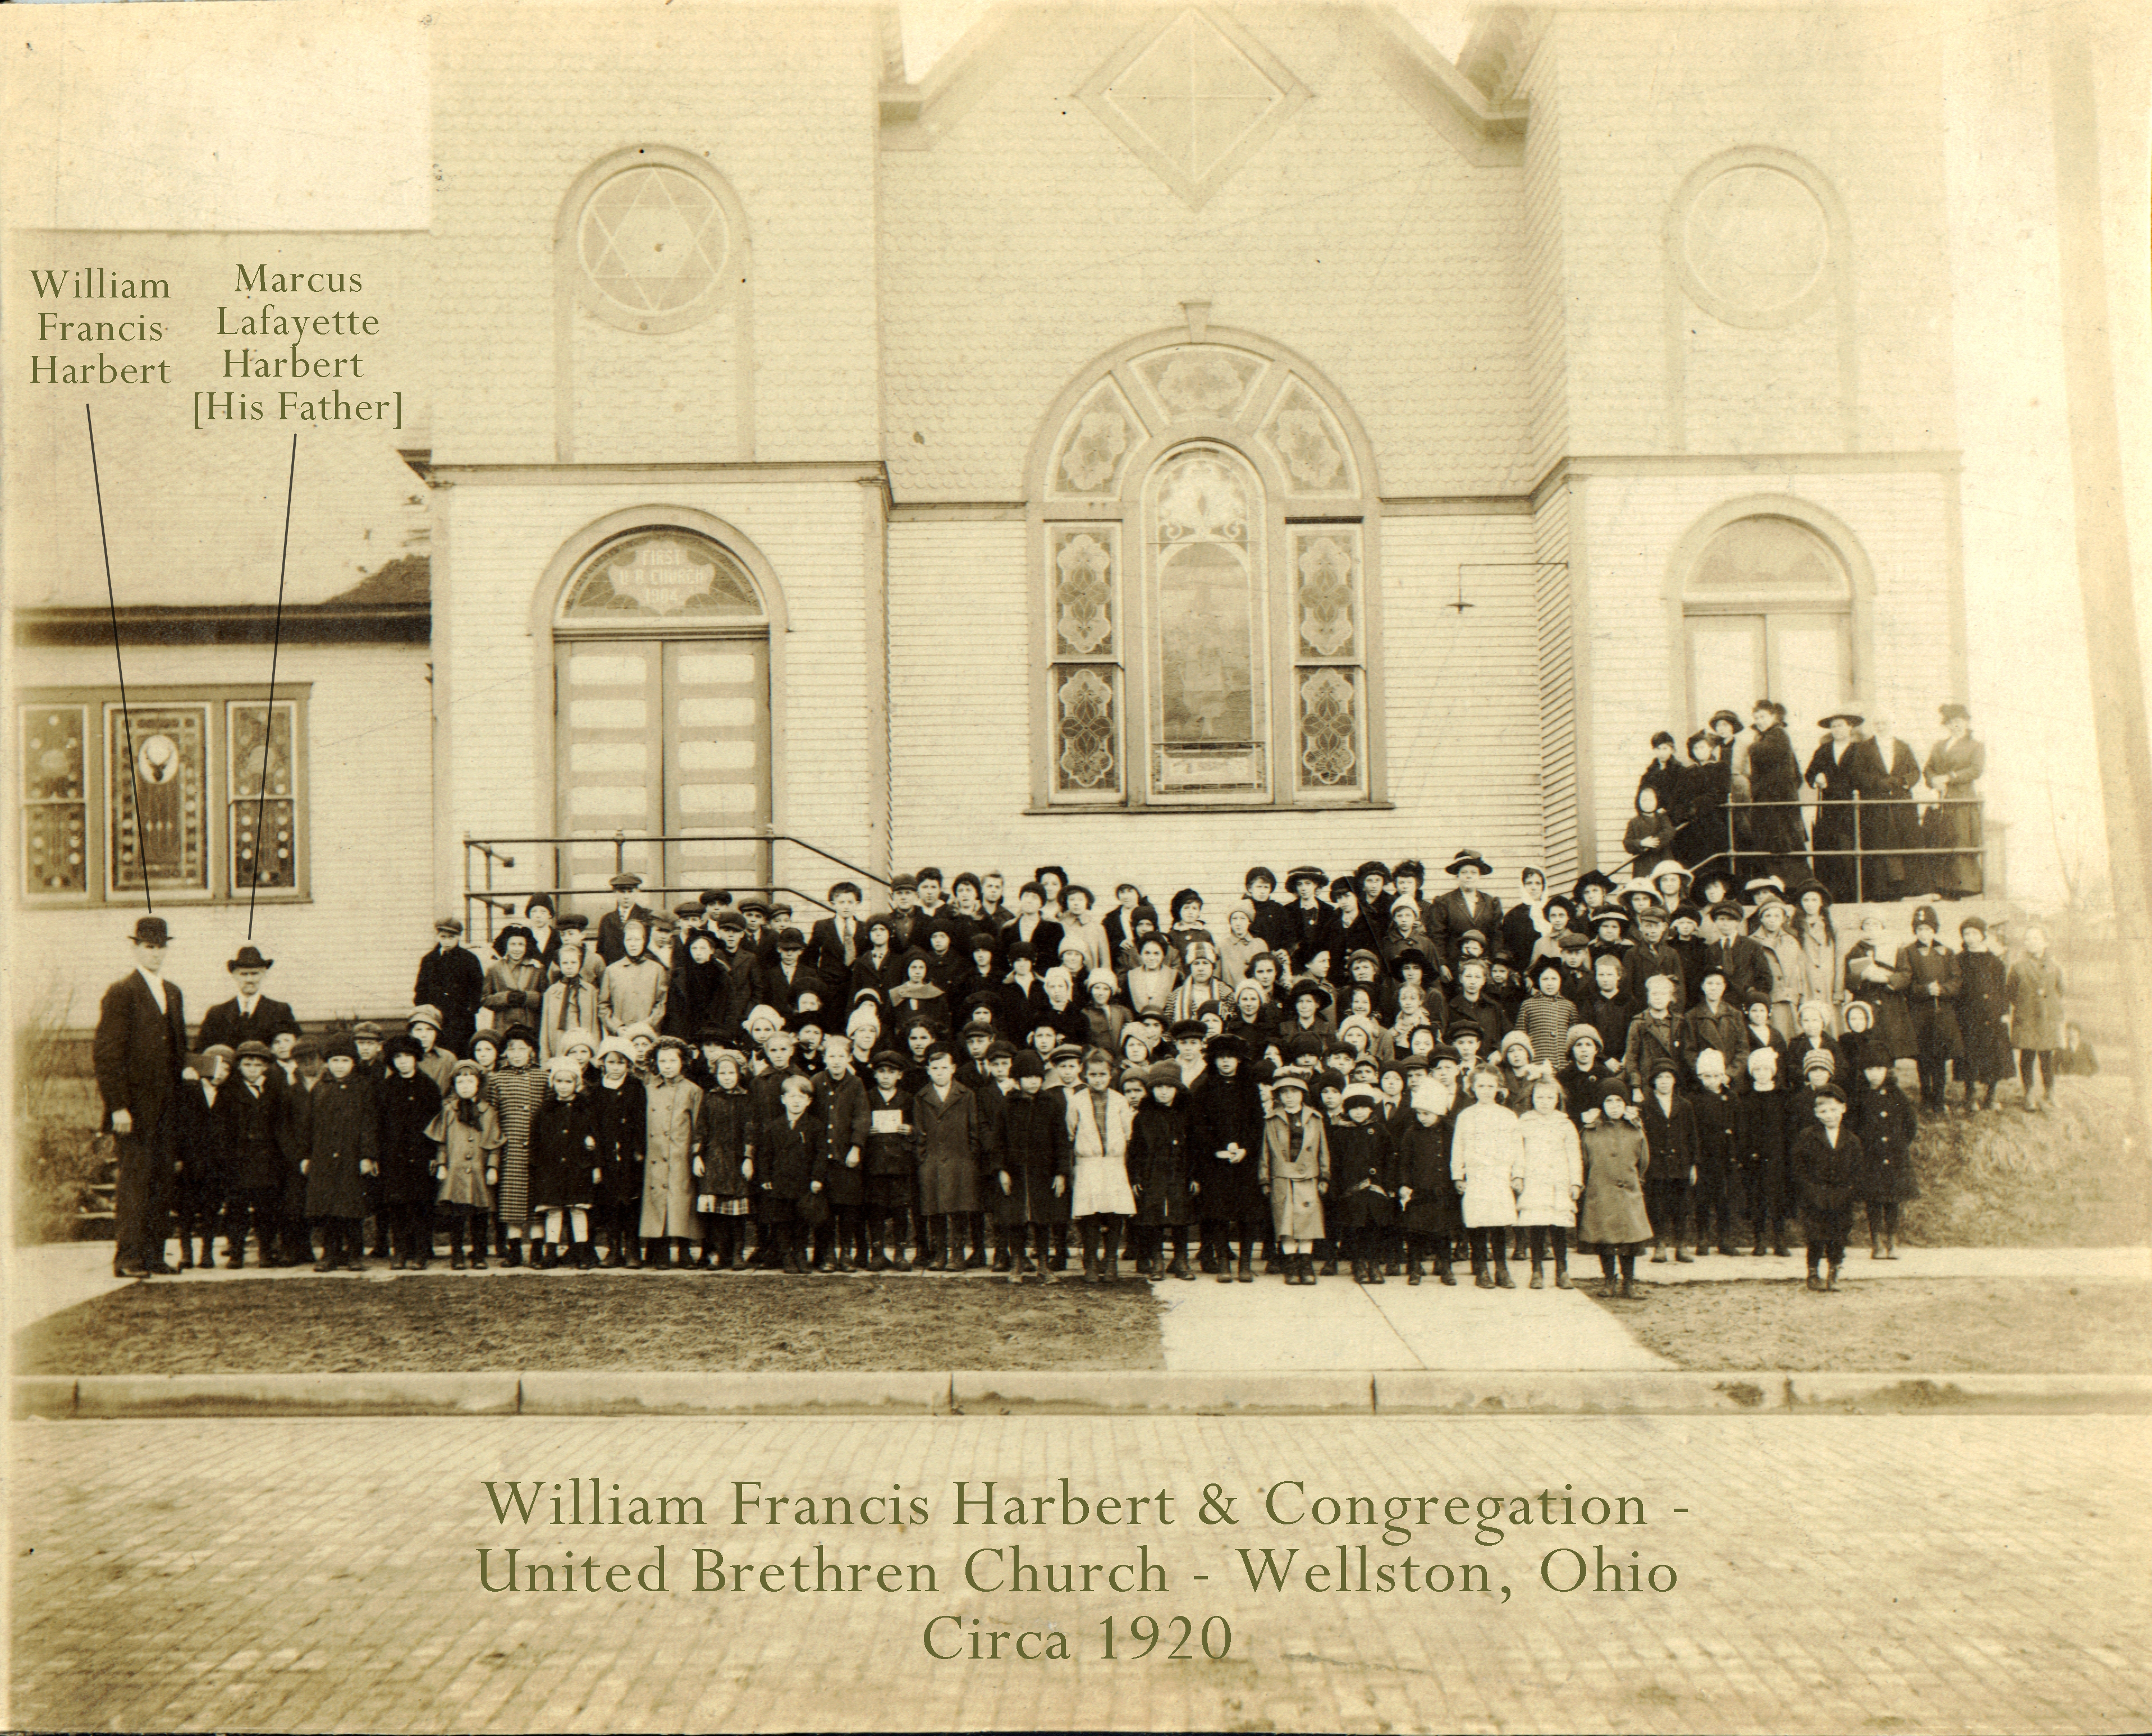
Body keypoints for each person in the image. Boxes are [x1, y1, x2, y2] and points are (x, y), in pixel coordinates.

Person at [93, 915, 191, 1278]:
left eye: (161, 947)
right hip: (134, 1109)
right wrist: (117, 1104)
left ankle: (153, 1254)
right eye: (149, 947)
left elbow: (178, 1049)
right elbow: (107, 1053)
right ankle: (129, 1257)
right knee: (135, 1182)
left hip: (168, 1107)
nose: (155, 953)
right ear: (136, 948)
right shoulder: (122, 992)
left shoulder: (174, 992)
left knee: (162, 1181)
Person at [303, 1033, 377, 1272]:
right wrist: (307, 1156)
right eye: (334, 1061)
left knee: (351, 1209)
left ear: (353, 1063)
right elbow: (309, 1125)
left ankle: (355, 1254)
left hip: (351, 1157)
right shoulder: (320, 1089)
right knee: (329, 1209)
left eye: (345, 1061)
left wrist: (367, 1156)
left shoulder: (364, 1088)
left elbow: (369, 1123)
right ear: (327, 1063)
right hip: (324, 1157)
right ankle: (330, 1254)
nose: (339, 1066)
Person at [1066, 1046, 1138, 1282]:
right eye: (1093, 1074)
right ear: (1085, 1075)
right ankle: (1090, 1261)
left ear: (1111, 1075)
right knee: (1091, 1215)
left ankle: (1110, 1261)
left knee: (1115, 1212)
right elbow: (1071, 1131)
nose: (1098, 1079)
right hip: (1089, 1164)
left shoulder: (1119, 1101)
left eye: (1103, 1074)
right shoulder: (1077, 1101)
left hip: (1114, 1164)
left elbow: (1128, 1133)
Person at [377, 1034, 444, 1270]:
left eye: (407, 1056)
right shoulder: (386, 1087)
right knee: (397, 1206)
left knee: (421, 1204)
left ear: (416, 1058)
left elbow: (437, 1125)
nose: (403, 1062)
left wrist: (436, 1156)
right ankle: (401, 1252)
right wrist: (378, 1155)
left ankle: (421, 1253)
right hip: (394, 1156)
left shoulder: (428, 1087)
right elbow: (379, 1124)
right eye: (397, 1057)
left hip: (422, 1156)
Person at [1805, 709, 1887, 902]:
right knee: (1830, 848)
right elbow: (1810, 773)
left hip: (1854, 807)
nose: (1837, 729)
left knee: (1853, 848)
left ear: (1850, 727)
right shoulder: (1824, 750)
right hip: (1830, 807)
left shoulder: (1862, 749)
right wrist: (1816, 777)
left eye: (1841, 725)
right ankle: (1832, 894)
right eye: (1834, 726)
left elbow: (1871, 776)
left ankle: (1857, 894)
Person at [428, 1059, 503, 1270]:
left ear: (479, 1084)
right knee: (457, 1216)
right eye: (461, 1082)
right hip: (456, 1171)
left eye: (470, 1082)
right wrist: (442, 1164)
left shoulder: (488, 1111)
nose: (466, 1086)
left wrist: (492, 1167)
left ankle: (478, 1254)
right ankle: (457, 1254)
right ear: (454, 1085)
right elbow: (442, 1140)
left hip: (479, 1170)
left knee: (479, 1216)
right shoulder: (449, 1110)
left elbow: (494, 1143)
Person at [1451, 1065, 1521, 1289]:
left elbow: (1518, 1148)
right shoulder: (1466, 1116)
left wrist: (1517, 1174)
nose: (1486, 1090)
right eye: (1481, 1086)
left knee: (1499, 1223)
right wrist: (1458, 1175)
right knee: (1478, 1223)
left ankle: (1502, 1269)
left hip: (1499, 1176)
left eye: (1491, 1086)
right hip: (1476, 1176)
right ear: (1472, 1088)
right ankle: (1481, 1269)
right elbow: (1458, 1147)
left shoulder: (1508, 1116)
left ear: (1499, 1088)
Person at [1579, 1085, 1651, 1298]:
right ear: (1602, 1105)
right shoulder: (1591, 1130)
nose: (1614, 1106)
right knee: (1606, 1238)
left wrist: (1634, 1180)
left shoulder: (1635, 1129)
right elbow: (1584, 1159)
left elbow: (1644, 1160)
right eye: (1609, 1101)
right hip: (1600, 1191)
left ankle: (1629, 1282)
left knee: (1629, 1239)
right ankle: (1609, 1280)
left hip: (1628, 1191)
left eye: (1619, 1101)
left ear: (1626, 1104)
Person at [1514, 1074, 1583, 1288]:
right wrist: (1518, 1176)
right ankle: (1536, 1271)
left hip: (1558, 1182)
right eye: (1540, 1097)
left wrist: (1576, 1182)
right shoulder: (1525, 1122)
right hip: (1535, 1182)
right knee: (1537, 1227)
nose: (1544, 1102)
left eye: (1549, 1097)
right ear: (1532, 1098)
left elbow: (1574, 1155)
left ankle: (1562, 1272)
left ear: (1557, 1099)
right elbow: (1518, 1151)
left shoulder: (1565, 1124)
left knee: (1558, 1228)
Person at [1261, 1070, 1329, 1285]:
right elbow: (1265, 1152)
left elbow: (1322, 1149)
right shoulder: (1272, 1119)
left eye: (1294, 1091)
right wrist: (1264, 1178)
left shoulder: (1315, 1118)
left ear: (1303, 1094)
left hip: (1308, 1176)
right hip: (1282, 1176)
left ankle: (1306, 1263)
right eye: (1284, 1092)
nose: (1289, 1096)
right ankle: (1290, 1263)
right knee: (1286, 1222)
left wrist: (1324, 1175)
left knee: (1308, 1221)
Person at [1792, 1083, 1862, 1291]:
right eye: (1823, 1111)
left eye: (1834, 1110)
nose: (1830, 1115)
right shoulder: (1807, 1136)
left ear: (1844, 1108)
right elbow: (1799, 1167)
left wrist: (1848, 1191)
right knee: (1815, 1235)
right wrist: (1810, 1190)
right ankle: (1813, 1273)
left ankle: (1834, 1271)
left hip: (1841, 1197)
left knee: (1838, 1235)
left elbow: (1858, 1171)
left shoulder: (1852, 1141)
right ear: (1815, 1113)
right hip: (1814, 1196)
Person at [693, 1046, 756, 1271]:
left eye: (731, 1073)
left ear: (739, 1074)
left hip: (737, 1161)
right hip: (714, 1160)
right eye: (722, 1073)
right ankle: (717, 1254)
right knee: (716, 1214)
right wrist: (697, 1156)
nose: (727, 1078)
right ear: (716, 1075)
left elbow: (751, 1130)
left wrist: (749, 1158)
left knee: (737, 1214)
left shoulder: (746, 1099)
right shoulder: (710, 1098)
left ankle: (738, 1253)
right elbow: (701, 1129)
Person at [1898, 906, 1962, 1112]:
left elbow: (1956, 979)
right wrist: (1925, 990)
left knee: (1941, 1057)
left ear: (1935, 930)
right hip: (1920, 1013)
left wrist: (1942, 990)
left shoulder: (1946, 952)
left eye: (1928, 929)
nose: (1924, 934)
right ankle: (1926, 1096)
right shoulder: (1907, 952)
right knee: (1924, 1057)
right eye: (1920, 930)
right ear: (1915, 931)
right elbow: (1905, 983)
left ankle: (1939, 1098)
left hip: (1943, 1013)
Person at [1855, 1057, 1919, 1259]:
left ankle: (1891, 1241)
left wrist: (1899, 1144)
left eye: (1878, 1069)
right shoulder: (1860, 1095)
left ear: (1886, 1071)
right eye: (1869, 1069)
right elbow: (1853, 1124)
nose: (1874, 1073)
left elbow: (1910, 1124)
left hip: (1894, 1155)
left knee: (1893, 1200)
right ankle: (1876, 1242)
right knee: (1873, 1199)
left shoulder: (1897, 1094)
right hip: (1870, 1156)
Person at [1637, 1057, 1697, 1263]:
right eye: (1660, 1078)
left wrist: (1693, 1165)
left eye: (1668, 1077)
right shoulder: (1646, 1106)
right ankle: (1660, 1244)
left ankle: (1681, 1245)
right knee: (1657, 1205)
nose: (1664, 1082)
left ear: (1675, 1081)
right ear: (1653, 1082)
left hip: (1680, 1164)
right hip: (1657, 1166)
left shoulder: (1685, 1105)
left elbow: (1692, 1136)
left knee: (1681, 1206)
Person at [1922, 703, 1986, 896]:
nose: (1955, 726)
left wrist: (1950, 777)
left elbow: (1975, 770)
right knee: (1940, 837)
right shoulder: (1939, 746)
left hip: (1962, 799)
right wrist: (1933, 780)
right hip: (1941, 800)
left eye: (1959, 722)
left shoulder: (1975, 746)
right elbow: (1929, 768)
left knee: (1961, 838)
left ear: (1966, 723)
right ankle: (1941, 887)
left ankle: (1965, 887)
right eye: (1951, 723)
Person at [1742, 699, 1808, 881]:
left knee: (1782, 843)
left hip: (1777, 803)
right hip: (1771, 802)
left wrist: (1750, 747)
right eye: (1756, 718)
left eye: (1763, 716)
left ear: (1773, 717)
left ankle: (1792, 883)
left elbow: (1766, 753)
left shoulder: (1778, 735)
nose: (1760, 721)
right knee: (1776, 844)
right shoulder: (1770, 736)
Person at [2004, 922, 2066, 1111]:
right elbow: (2011, 992)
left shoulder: (2055, 967)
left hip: (2047, 1018)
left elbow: (2060, 991)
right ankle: (2029, 1092)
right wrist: (2026, 1007)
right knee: (2027, 1055)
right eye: (2028, 939)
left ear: (2046, 942)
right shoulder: (2018, 967)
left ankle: (2050, 1091)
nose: (2031, 942)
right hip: (2027, 1017)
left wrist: (2047, 1006)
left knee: (2047, 1056)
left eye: (2036, 938)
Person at [196, 943, 300, 1053]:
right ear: (235, 976)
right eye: (244, 974)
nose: (249, 979)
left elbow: (295, 1048)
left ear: (264, 974)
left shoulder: (280, 1010)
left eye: (255, 974)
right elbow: (202, 1050)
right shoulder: (217, 1013)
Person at [1954, 918, 2013, 1112]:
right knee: (1969, 1054)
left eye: (1974, 933)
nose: (1971, 938)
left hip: (1992, 1015)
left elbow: (2002, 989)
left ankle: (1991, 1095)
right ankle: (1970, 1094)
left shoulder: (1995, 961)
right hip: (1969, 1015)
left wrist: (2005, 1012)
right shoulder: (1959, 960)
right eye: (1966, 934)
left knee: (1994, 1054)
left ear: (1983, 935)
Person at [413, 917, 484, 1060]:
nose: (447, 941)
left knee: (461, 1056)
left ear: (458, 937)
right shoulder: (429, 960)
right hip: (437, 1021)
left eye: (451, 937)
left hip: (461, 1022)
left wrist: (470, 1009)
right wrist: (426, 1011)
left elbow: (478, 988)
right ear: (437, 936)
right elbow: (420, 990)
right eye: (443, 937)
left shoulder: (469, 959)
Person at [1675, 730, 1732, 869]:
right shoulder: (1688, 772)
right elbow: (1679, 796)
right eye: (1695, 748)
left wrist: (1696, 805)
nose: (1699, 751)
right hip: (1692, 825)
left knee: (1714, 860)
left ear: (1710, 748)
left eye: (1702, 747)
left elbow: (1720, 793)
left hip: (1714, 822)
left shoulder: (1720, 768)